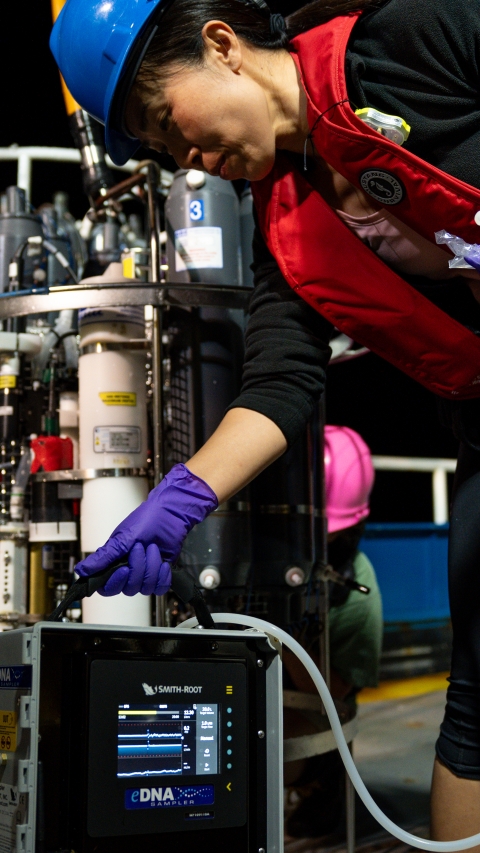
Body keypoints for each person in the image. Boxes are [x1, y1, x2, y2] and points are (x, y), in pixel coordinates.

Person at [51, 0, 480, 843]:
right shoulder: (285, 228)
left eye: (165, 122)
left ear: (222, 46)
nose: (187, 159)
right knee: (473, 719)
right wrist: (177, 503)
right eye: (162, 153)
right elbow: (280, 383)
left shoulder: (406, 42)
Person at [283, 425, 382, 838]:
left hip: (309, 711)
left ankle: (321, 787)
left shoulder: (358, 596)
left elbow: (332, 694)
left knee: (325, 734)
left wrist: (285, 639)